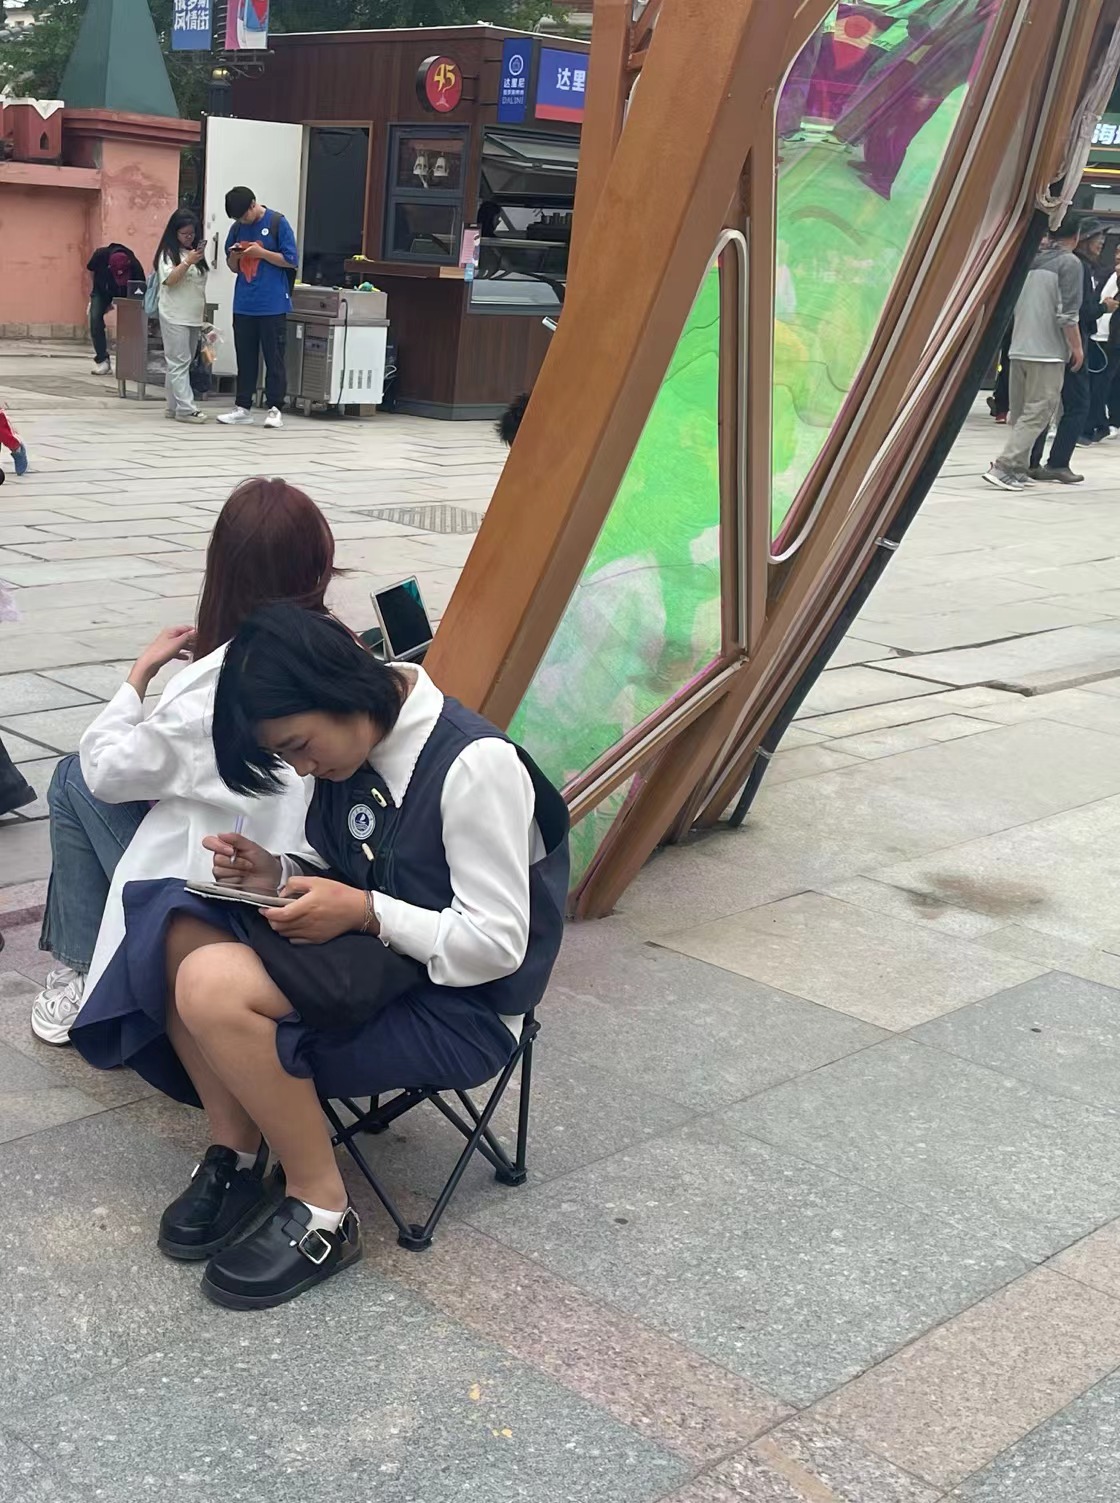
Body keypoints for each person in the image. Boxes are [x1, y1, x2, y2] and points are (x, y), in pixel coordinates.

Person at [70, 605, 570, 1310]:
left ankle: (323, 1210)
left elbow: (497, 947)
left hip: (460, 1008)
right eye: (288, 755)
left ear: (339, 688)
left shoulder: (473, 765)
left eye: (299, 745)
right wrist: (275, 872)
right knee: (172, 921)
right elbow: (348, 865)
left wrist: (365, 911)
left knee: (212, 986)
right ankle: (238, 1152)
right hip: (374, 966)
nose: (302, 768)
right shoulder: (351, 749)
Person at [29, 479, 333, 1045]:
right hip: (304, 873)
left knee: (73, 776)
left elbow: (106, 770)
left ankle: (83, 974)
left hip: (220, 895)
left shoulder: (213, 691)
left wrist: (139, 676)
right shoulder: (344, 651)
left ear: (225, 569)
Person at [984, 214, 1084, 491]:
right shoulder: (1069, 263)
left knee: (1020, 413)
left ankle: (1018, 468)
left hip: (1019, 348)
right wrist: (1076, 347)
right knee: (1039, 412)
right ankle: (1005, 465)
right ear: (1076, 236)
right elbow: (1068, 315)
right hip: (1048, 352)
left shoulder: (1030, 260)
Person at [1028, 217, 1107, 483]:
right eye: (1097, 237)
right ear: (1080, 238)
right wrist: (1104, 308)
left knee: (1045, 404)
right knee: (1077, 405)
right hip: (1071, 346)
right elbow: (1077, 312)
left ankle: (1032, 461)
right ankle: (1058, 462)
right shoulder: (1076, 266)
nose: (1101, 242)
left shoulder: (1048, 262)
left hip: (1046, 343)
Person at [217, 186, 299, 430]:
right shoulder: (237, 228)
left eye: (244, 215)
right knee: (245, 357)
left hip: (272, 304)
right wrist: (235, 256)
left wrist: (261, 253)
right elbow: (233, 267)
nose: (242, 221)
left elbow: (291, 260)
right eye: (238, 218)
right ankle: (243, 406)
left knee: (274, 358)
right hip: (244, 303)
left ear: (253, 204)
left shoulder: (277, 223)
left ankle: (275, 408)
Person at [154, 209, 209, 426]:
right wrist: (187, 263)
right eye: (184, 234)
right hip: (174, 314)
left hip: (193, 315)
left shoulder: (195, 254)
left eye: (192, 234)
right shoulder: (168, 254)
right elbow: (169, 280)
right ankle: (187, 408)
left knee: (181, 363)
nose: (189, 238)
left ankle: (173, 406)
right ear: (174, 233)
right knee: (178, 361)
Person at [86, 243, 144, 375]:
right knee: (95, 319)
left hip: (126, 290)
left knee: (131, 322)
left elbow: (141, 291)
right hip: (102, 289)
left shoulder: (135, 265)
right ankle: (102, 360)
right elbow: (91, 271)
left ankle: (131, 360)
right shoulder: (100, 255)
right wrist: (97, 292)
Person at [1083, 240, 1120, 443]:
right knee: (1094, 382)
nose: (1118, 256)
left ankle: (1099, 424)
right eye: (1117, 251)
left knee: (1102, 384)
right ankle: (1099, 422)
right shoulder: (1107, 274)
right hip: (1097, 333)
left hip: (1114, 338)